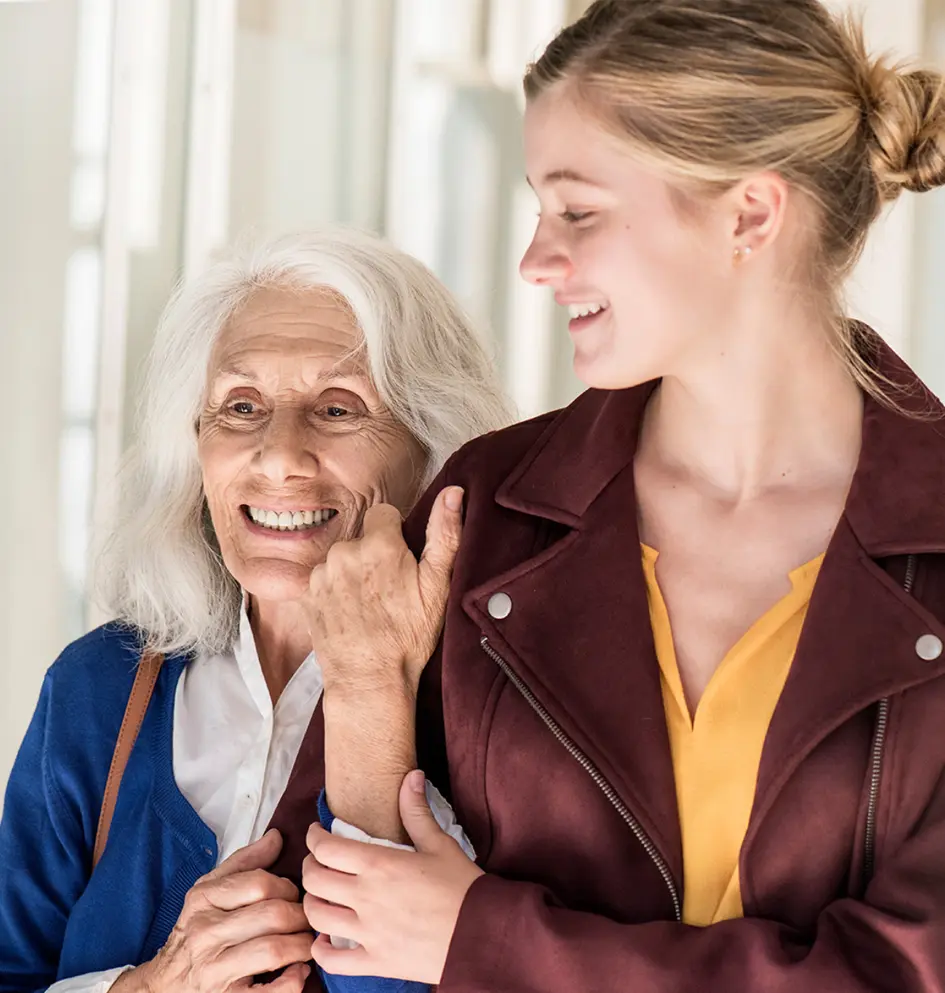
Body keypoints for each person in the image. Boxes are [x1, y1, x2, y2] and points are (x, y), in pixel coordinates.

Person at [288, 1, 945, 990]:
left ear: (752, 215)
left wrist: (491, 943)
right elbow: (324, 909)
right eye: (538, 210)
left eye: (578, 211)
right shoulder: (487, 510)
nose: (536, 261)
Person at [0, 228, 513, 993]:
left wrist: (372, 689)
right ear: (196, 444)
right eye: (240, 406)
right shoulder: (100, 686)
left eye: (337, 409)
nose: (278, 456)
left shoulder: (510, 709)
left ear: (433, 449)